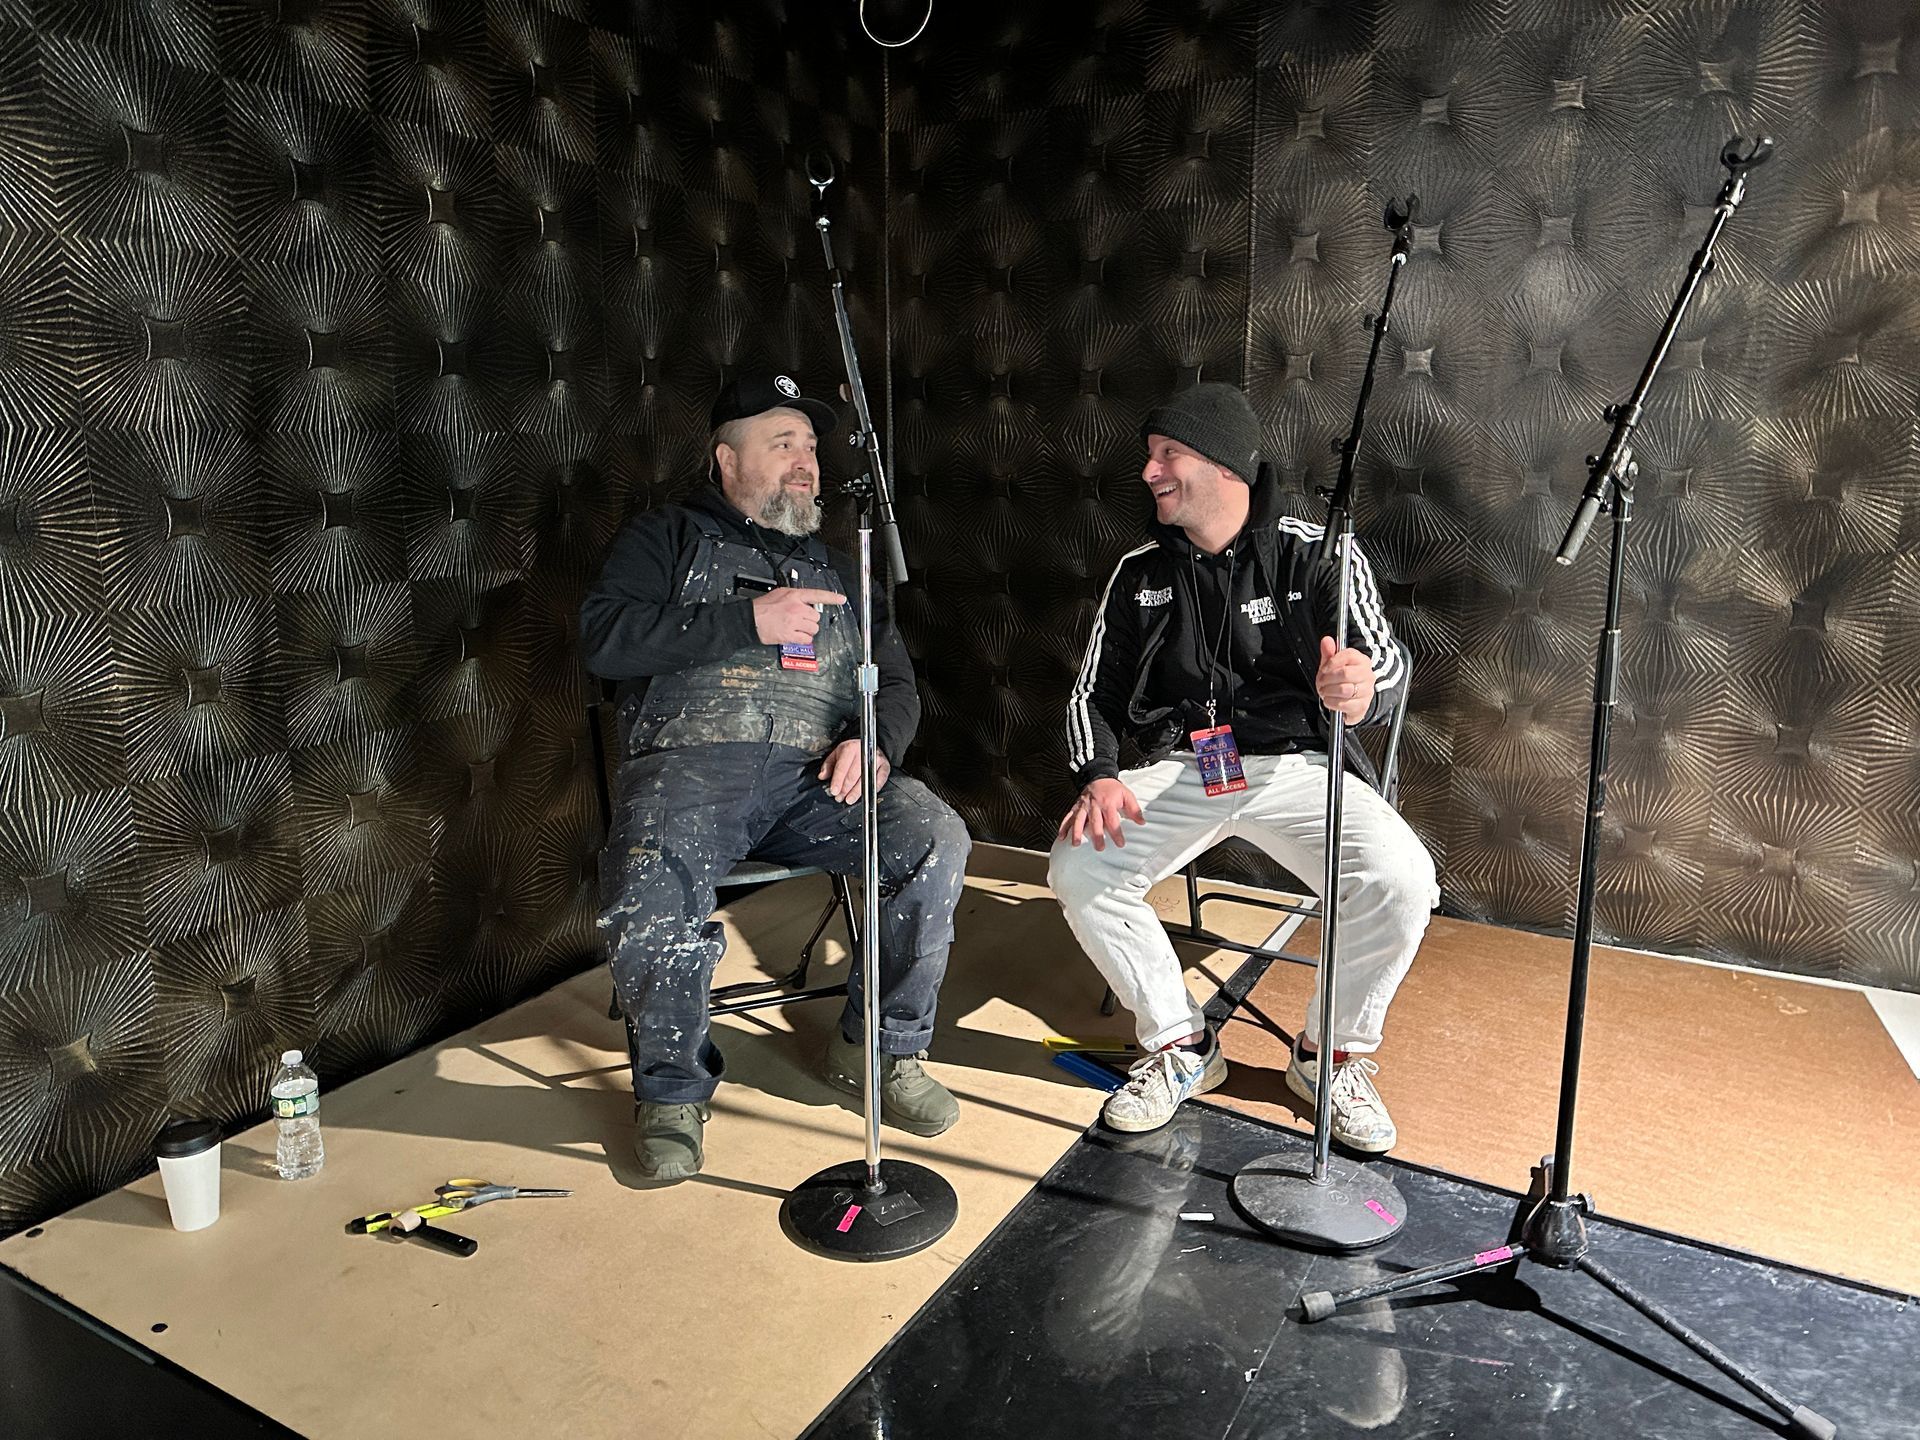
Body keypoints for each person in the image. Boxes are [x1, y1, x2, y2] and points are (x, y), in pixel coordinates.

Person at [582, 373, 970, 1181]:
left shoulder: (841, 568)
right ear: (727, 459)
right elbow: (605, 641)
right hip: (691, 777)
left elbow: (893, 684)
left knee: (930, 836)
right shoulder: (666, 538)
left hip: (812, 782)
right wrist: (740, 622)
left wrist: (874, 740)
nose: (807, 462)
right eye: (782, 443)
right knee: (648, 878)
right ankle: (671, 1092)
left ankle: (882, 1050)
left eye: (812, 447)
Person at [1049, 382, 1437, 1150]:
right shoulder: (1139, 571)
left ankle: (1328, 1056)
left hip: (1297, 763)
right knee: (1078, 869)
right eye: (1149, 458)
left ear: (1224, 465)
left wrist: (1359, 689)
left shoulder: (1315, 548)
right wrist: (1095, 773)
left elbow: (1386, 662)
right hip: (1188, 764)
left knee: (1402, 879)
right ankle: (1181, 1046)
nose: (1150, 472)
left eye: (1169, 456)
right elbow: (1091, 690)